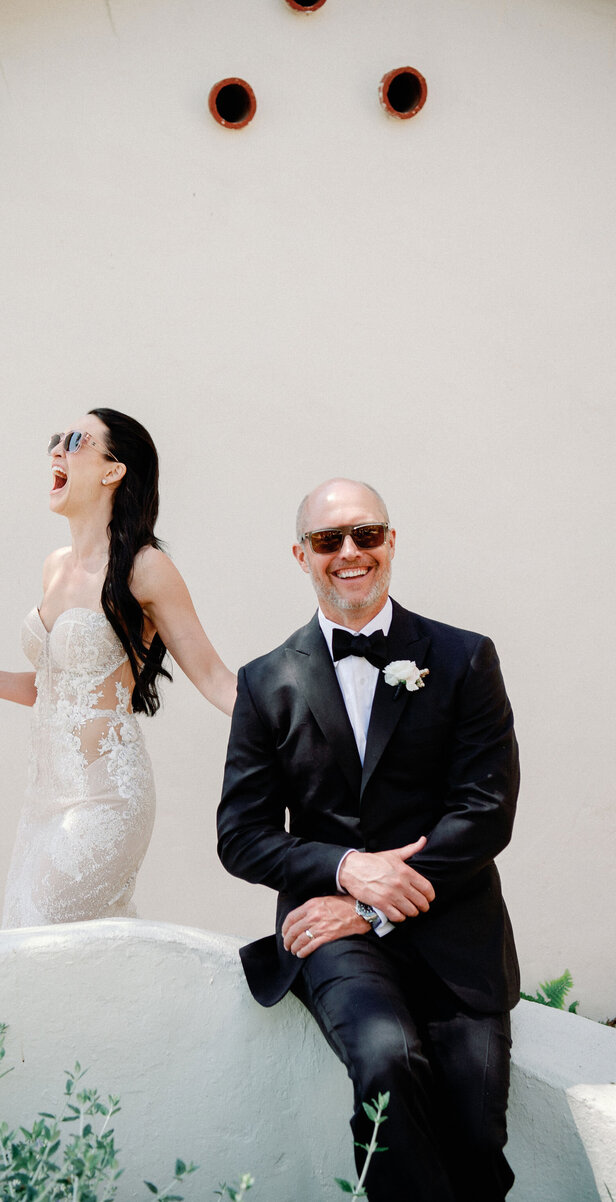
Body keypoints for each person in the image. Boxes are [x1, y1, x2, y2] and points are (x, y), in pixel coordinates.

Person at [217, 478, 519, 1202]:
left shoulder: (464, 657)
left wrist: (375, 903)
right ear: (301, 555)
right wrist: (348, 869)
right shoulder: (266, 682)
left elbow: (486, 809)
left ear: (391, 542)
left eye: (366, 534)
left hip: (454, 930)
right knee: (386, 1063)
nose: (349, 553)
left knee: (475, 1134)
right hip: (333, 938)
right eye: (328, 541)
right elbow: (241, 834)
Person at [0, 409, 236, 928]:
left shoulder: (146, 567)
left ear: (112, 470)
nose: (56, 449)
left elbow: (212, 677)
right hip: (43, 802)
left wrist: (298, 721)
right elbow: (59, 688)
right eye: (55, 439)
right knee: (32, 941)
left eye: (74, 441)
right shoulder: (54, 566)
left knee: (42, 934)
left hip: (107, 799)